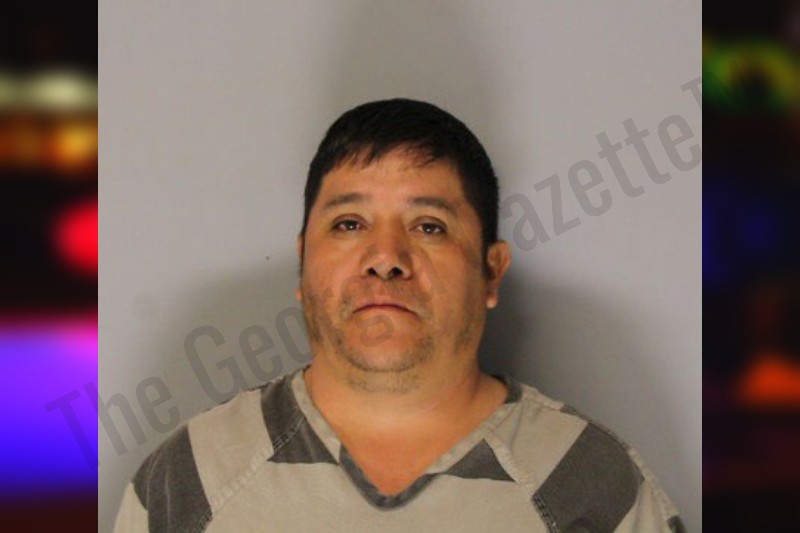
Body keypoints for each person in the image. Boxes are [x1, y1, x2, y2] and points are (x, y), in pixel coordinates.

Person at [113, 99, 685, 532]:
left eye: (429, 227)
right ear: (303, 264)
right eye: (349, 224)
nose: (385, 257)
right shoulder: (192, 480)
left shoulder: (590, 484)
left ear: (491, 272)